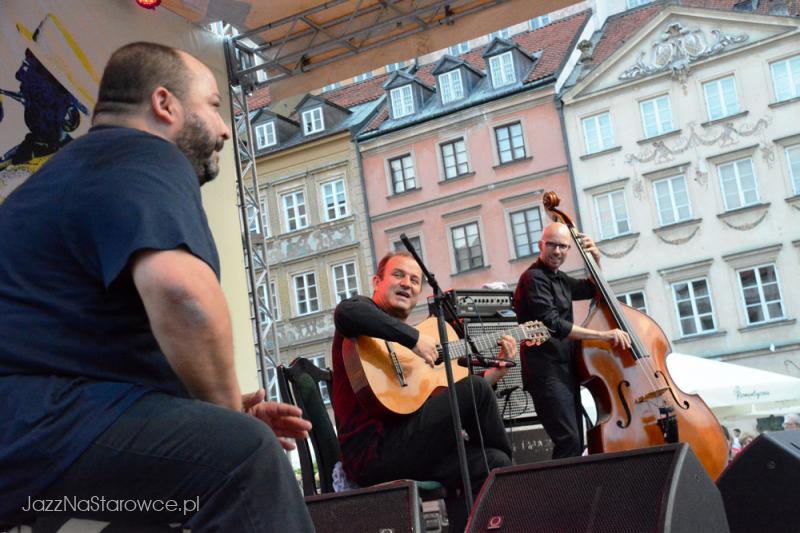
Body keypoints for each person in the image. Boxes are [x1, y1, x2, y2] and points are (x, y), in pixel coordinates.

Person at [0, 42, 314, 532]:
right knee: (244, 458)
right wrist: (229, 414)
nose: (225, 128)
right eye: (213, 106)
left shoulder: (81, 169)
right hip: (40, 429)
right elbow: (182, 295)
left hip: (33, 446)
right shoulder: (145, 154)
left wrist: (205, 413)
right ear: (164, 105)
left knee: (169, 504)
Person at [331, 251, 516, 503]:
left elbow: (429, 400)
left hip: (410, 447)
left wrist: (494, 374)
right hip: (373, 453)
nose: (407, 283)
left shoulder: (409, 339)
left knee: (493, 461)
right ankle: (518, 483)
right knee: (476, 388)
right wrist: (414, 339)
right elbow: (346, 310)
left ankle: (503, 483)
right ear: (376, 282)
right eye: (398, 275)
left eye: (414, 280)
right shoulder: (358, 322)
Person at [513, 222, 632, 459]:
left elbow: (592, 289)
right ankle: (559, 494)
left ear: (569, 249)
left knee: (576, 442)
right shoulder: (533, 279)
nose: (557, 251)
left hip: (566, 370)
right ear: (541, 245)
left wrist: (596, 259)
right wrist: (603, 336)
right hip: (546, 373)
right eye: (552, 245)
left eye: (563, 247)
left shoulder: (561, 279)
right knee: (569, 440)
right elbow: (553, 324)